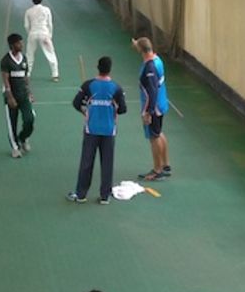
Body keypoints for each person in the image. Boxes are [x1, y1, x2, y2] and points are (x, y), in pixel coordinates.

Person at [69, 56, 127, 204]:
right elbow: (123, 109)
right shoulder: (117, 88)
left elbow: (76, 103)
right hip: (109, 131)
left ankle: (81, 195)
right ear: (110, 69)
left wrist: (85, 111)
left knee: (86, 162)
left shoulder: (88, 85)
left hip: (91, 130)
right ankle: (104, 196)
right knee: (107, 163)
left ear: (97, 67)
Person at [132, 37, 171, 182]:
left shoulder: (149, 68)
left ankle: (157, 170)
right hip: (161, 103)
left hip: (153, 106)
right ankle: (166, 165)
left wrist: (148, 112)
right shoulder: (157, 60)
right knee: (159, 132)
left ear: (141, 51)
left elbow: (152, 91)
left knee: (154, 137)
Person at [0, 32, 35, 158]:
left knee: (30, 119)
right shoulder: (6, 61)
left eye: (21, 42)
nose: (22, 44)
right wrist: (9, 97)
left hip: (23, 95)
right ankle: (15, 148)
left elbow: (25, 77)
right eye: (19, 43)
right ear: (12, 45)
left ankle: (23, 137)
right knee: (12, 123)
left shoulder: (24, 58)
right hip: (12, 97)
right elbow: (5, 80)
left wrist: (29, 92)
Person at [25, 0, 59, 81]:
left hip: (33, 34)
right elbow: (50, 24)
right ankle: (55, 74)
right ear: (41, 0)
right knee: (50, 53)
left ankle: (27, 74)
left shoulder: (28, 11)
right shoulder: (46, 10)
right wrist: (49, 35)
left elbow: (26, 25)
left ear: (32, 0)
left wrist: (30, 33)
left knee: (29, 54)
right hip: (44, 34)